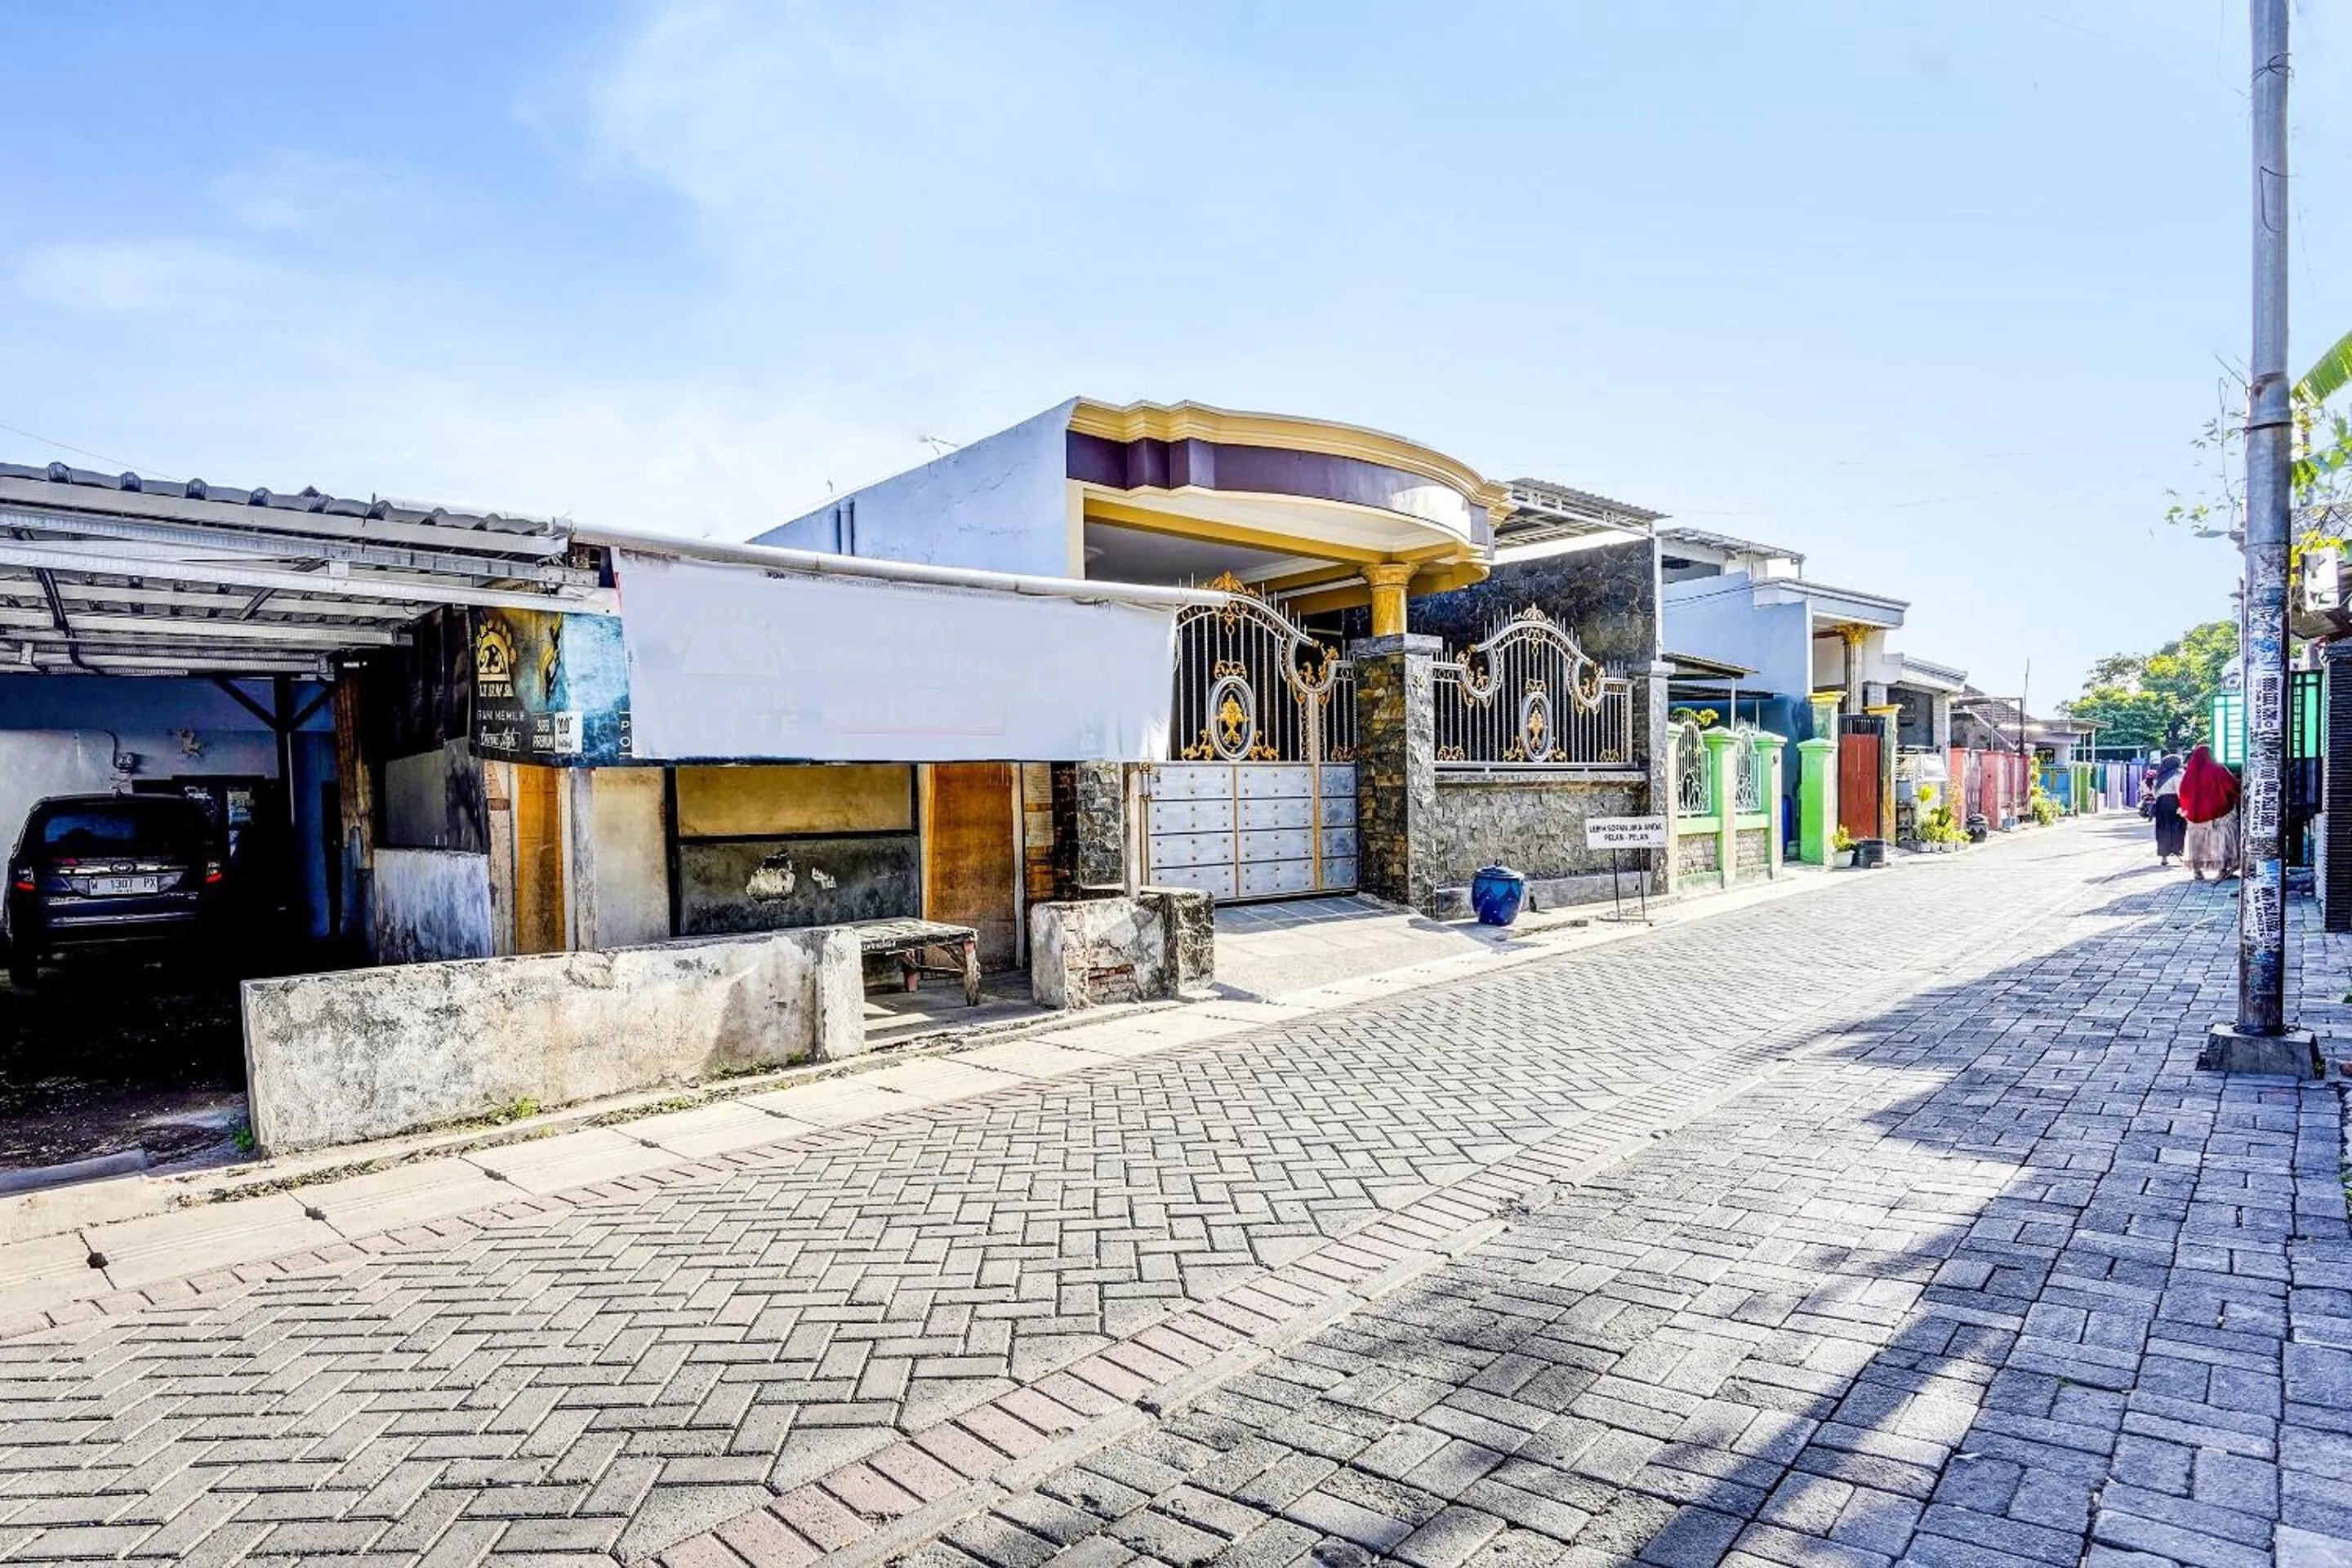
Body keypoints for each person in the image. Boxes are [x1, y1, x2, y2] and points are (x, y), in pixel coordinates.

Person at [2178, 743, 2241, 882]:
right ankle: (2222, 870)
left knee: (2197, 841)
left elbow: (2183, 792)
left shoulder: (2190, 772)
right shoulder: (2218, 768)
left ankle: (2197, 871)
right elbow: (2232, 785)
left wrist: (2189, 808)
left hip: (2196, 815)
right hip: (2220, 812)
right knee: (2221, 840)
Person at [2147, 753, 2185, 866]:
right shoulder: (2177, 775)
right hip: (2174, 803)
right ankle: (2178, 853)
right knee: (2177, 828)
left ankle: (2164, 857)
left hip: (2161, 804)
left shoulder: (2159, 777)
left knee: (2163, 829)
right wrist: (2183, 805)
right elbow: (2180, 791)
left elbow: (2154, 793)